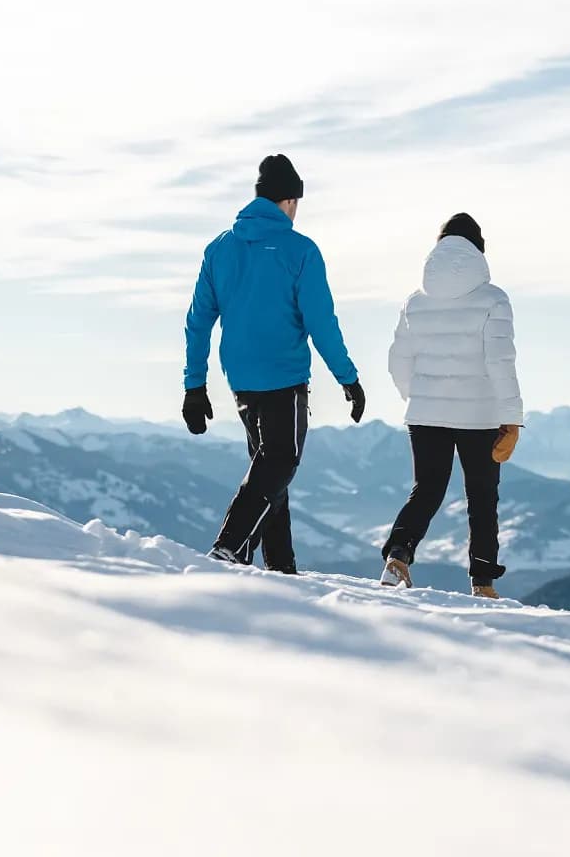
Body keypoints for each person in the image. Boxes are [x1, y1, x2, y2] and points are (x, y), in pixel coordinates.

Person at [181, 154, 366, 574]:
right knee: (279, 462)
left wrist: (195, 386)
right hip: (284, 377)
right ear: (289, 201)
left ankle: (281, 569)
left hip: (241, 379)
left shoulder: (219, 249)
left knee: (270, 472)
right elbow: (321, 323)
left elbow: (198, 322)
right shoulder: (299, 250)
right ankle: (230, 547)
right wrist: (348, 378)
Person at [379, 212, 523, 598]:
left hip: (425, 414)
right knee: (481, 496)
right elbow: (500, 362)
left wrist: (420, 395)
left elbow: (398, 360)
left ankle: (398, 555)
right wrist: (511, 420)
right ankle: (483, 582)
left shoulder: (415, 301)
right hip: (479, 415)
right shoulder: (494, 299)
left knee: (426, 489)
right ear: (479, 250)